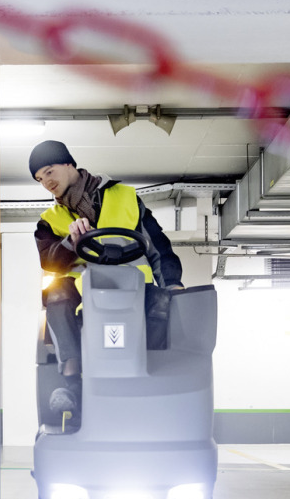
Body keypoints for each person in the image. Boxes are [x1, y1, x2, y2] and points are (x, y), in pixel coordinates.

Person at [29, 139, 184, 417]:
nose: (46, 182)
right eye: (40, 179)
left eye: (49, 171)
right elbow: (48, 259)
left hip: (135, 286)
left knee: (164, 302)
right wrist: (70, 242)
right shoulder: (49, 220)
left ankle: (151, 375)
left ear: (69, 163)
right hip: (83, 291)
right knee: (56, 294)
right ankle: (72, 383)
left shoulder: (126, 196)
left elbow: (158, 245)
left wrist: (172, 282)